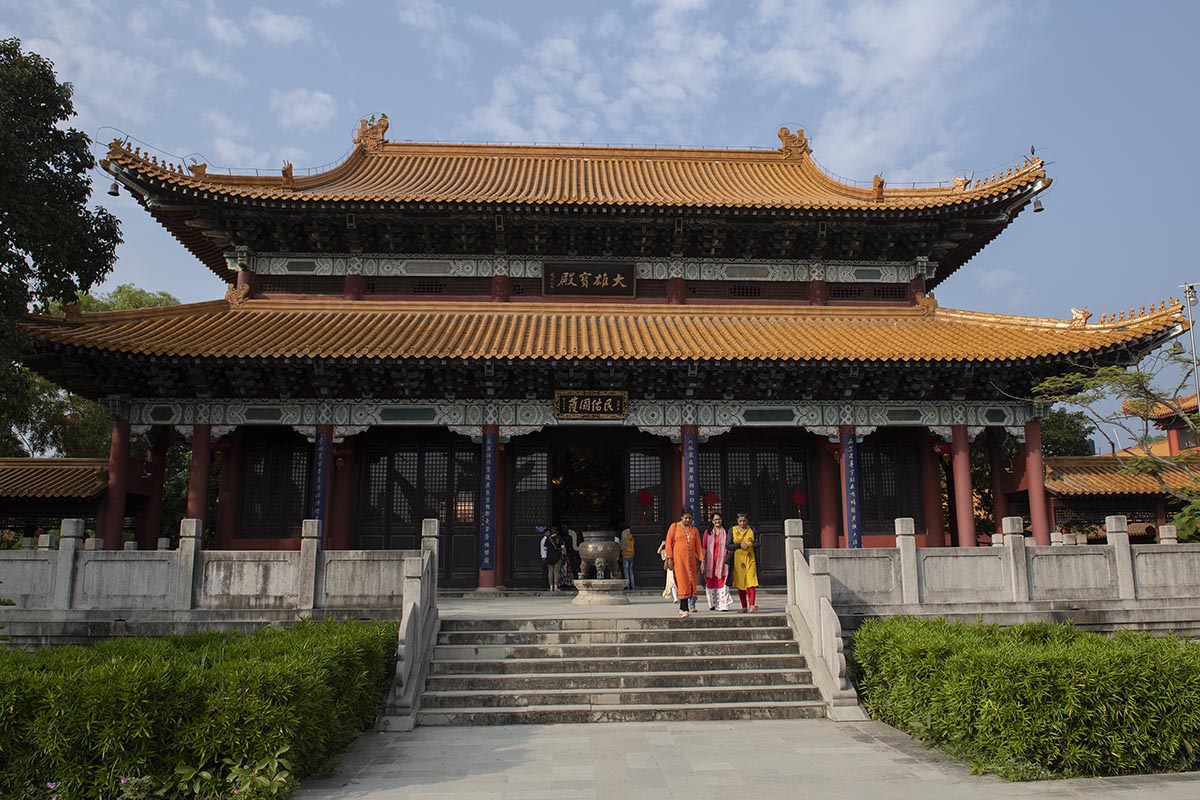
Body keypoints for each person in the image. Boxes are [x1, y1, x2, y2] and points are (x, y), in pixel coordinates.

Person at [665, 507, 704, 618]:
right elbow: (668, 543)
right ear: (681, 517)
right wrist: (669, 558)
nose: (688, 520)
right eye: (686, 518)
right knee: (682, 582)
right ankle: (685, 608)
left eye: (690, 518)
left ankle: (683, 608)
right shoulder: (674, 527)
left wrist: (702, 560)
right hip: (679, 561)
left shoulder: (694, 530)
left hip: (691, 561)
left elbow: (698, 546)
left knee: (690, 582)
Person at [702, 512, 732, 611]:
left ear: (722, 520)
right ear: (712, 521)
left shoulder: (727, 532)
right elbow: (704, 548)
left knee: (722, 581)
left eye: (719, 519)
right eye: (715, 520)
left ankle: (723, 605)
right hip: (710, 562)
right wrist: (703, 561)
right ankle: (713, 604)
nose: (717, 521)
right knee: (711, 581)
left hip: (723, 562)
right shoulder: (708, 532)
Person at [730, 512, 759, 612]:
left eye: (744, 521)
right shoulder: (733, 530)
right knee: (741, 582)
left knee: (751, 581)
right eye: (740, 521)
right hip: (739, 559)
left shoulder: (752, 530)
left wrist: (753, 544)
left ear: (747, 521)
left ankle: (752, 605)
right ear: (737, 521)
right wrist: (739, 545)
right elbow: (728, 545)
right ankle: (744, 606)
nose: (742, 523)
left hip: (750, 558)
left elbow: (758, 544)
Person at [539, 526, 561, 592]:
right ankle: (555, 587)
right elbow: (562, 547)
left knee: (550, 572)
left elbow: (545, 548)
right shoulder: (558, 538)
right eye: (547, 532)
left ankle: (551, 587)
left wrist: (549, 550)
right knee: (556, 572)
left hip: (549, 557)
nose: (548, 533)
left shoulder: (547, 539)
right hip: (555, 556)